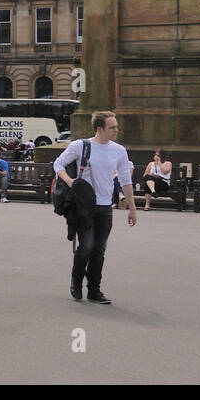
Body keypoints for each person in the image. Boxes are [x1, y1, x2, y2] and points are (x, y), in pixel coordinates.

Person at [53, 111, 136, 304]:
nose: (117, 130)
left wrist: (132, 208)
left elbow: (125, 180)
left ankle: (94, 290)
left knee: (99, 249)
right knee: (86, 246)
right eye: (112, 127)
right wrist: (69, 181)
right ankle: (76, 281)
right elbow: (58, 163)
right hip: (85, 205)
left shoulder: (119, 151)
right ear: (100, 129)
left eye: (116, 126)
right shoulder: (80, 146)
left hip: (106, 207)